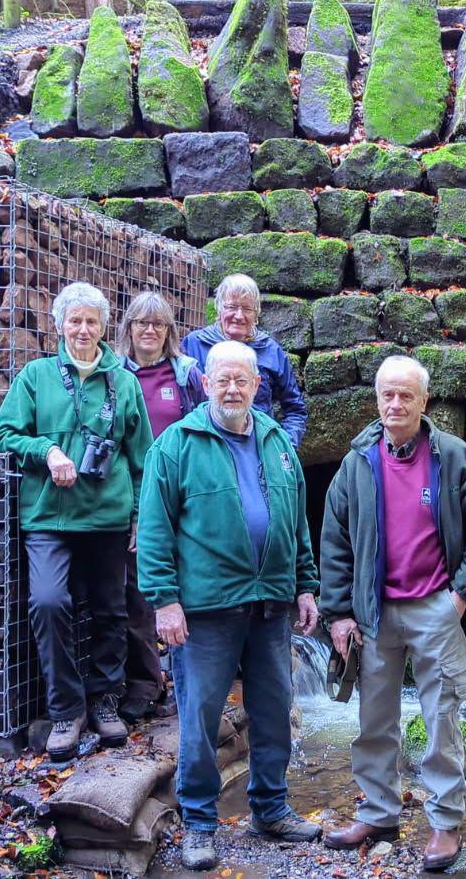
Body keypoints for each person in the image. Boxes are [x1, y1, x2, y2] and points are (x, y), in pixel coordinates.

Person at [136, 340, 323, 871]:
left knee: (273, 713)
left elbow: (295, 521)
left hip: (269, 606)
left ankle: (271, 808)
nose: (233, 389)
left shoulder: (276, 441)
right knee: (199, 719)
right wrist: (165, 601)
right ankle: (198, 824)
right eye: (223, 380)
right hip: (205, 610)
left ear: (257, 385)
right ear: (207, 383)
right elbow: (153, 531)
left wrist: (305, 585)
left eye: (242, 380)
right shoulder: (176, 445)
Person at [319, 356, 466, 872]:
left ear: (425, 401)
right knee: (373, 720)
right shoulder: (358, 461)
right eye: (387, 395)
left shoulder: (453, 457)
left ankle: (445, 825)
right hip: (374, 612)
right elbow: (335, 540)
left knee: (441, 719)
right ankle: (378, 811)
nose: (395, 405)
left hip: (435, 609)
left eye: (406, 395)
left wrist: (462, 595)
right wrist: (338, 613)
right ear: (377, 399)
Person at [0, 281, 153, 762]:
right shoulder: (36, 376)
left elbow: (142, 457)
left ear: (105, 328)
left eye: (92, 321)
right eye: (74, 321)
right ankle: (66, 708)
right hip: (48, 516)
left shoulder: (123, 382)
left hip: (108, 516)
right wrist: (46, 449)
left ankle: (105, 701)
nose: (83, 329)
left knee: (111, 609)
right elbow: (2, 434)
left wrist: (142, 514)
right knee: (48, 600)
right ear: (58, 325)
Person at [115, 291, 206, 723]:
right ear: (128, 328)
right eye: (140, 323)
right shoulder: (113, 375)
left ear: (169, 332)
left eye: (158, 325)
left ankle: (192, 679)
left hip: (183, 497)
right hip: (133, 495)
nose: (148, 331)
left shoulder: (186, 374)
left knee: (185, 586)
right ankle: (147, 684)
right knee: (139, 594)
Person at [181, 273, 308, 447]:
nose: (239, 316)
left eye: (247, 309)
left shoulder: (270, 350)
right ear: (219, 309)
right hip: (205, 446)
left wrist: (283, 447)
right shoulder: (194, 345)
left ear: (256, 314)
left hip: (256, 448)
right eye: (232, 307)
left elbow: (295, 408)